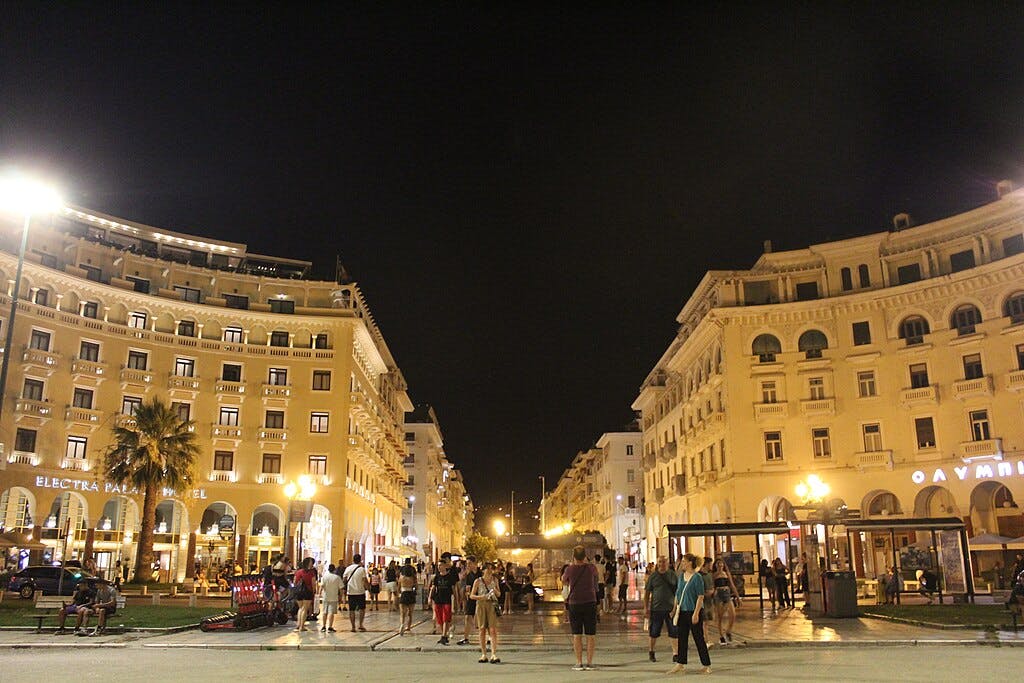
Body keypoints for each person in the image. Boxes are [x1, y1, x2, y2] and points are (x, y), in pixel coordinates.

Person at [669, 553, 711, 675]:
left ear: (690, 563)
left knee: (699, 638)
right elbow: (678, 593)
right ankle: (680, 663)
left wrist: (696, 613)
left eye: (683, 561)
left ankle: (706, 664)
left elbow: (700, 596)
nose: (682, 563)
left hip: (693, 611)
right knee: (682, 638)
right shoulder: (681, 576)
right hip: (682, 611)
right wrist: (674, 609)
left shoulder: (697, 577)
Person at [562, 544, 599, 671]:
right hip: (590, 602)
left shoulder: (569, 569)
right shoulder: (591, 568)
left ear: (573, 556)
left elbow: (563, 580)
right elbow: (596, 577)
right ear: (585, 556)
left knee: (576, 634)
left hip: (575, 603)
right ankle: (589, 663)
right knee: (590, 634)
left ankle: (579, 662)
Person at [643, 555, 678, 663]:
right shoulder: (653, 576)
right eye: (660, 562)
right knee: (653, 631)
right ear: (657, 563)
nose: (662, 564)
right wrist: (646, 607)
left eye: (664, 562)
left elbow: (678, 591)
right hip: (656, 608)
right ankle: (651, 651)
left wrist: (676, 607)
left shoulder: (673, 575)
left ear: (667, 563)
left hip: (670, 608)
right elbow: (647, 592)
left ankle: (675, 653)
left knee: (673, 631)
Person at [470, 561, 501, 663]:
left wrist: (495, 591)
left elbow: (499, 594)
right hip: (481, 605)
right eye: (487, 568)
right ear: (483, 570)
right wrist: (481, 597)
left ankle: (493, 654)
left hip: (492, 605)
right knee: (482, 629)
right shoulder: (478, 581)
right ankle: (483, 654)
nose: (489, 570)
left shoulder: (495, 580)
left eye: (491, 568)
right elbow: (472, 595)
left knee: (492, 630)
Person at [710, 558, 739, 644]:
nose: (720, 565)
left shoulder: (726, 573)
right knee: (720, 616)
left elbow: (732, 585)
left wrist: (737, 596)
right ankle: (721, 636)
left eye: (721, 564)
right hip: (718, 594)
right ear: (715, 565)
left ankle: (728, 631)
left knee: (733, 614)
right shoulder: (714, 574)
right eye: (718, 564)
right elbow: (712, 584)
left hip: (727, 593)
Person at [429, 560, 457, 644]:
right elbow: (433, 588)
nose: (439, 567)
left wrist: (455, 599)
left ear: (445, 566)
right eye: (438, 565)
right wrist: (430, 597)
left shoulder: (450, 577)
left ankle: (444, 636)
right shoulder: (437, 577)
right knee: (439, 619)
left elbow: (453, 589)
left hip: (447, 600)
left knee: (446, 618)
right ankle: (444, 634)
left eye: (440, 565)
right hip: (438, 599)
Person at [457, 556, 481, 646]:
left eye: (470, 563)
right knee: (467, 617)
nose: (468, 565)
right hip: (471, 598)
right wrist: (467, 593)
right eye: (467, 563)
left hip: (480, 598)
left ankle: (486, 637)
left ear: (475, 563)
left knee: (481, 619)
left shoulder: (481, 573)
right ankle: (466, 638)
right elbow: (467, 587)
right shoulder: (468, 575)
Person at [343, 553, 369, 632]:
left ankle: (353, 627)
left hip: (351, 592)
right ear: (360, 560)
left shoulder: (348, 568)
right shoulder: (362, 569)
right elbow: (365, 581)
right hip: (360, 592)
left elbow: (344, 579)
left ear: (353, 560)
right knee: (362, 609)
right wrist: (368, 589)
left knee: (351, 610)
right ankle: (360, 625)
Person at [293, 557, 317, 632]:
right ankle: (302, 626)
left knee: (300, 608)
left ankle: (298, 624)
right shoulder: (311, 573)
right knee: (305, 609)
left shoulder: (298, 572)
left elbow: (294, 582)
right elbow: (313, 583)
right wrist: (314, 591)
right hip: (307, 591)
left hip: (299, 592)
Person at [320, 563, 342, 632]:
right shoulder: (337, 577)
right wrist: (340, 596)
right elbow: (341, 588)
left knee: (324, 612)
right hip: (334, 597)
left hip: (325, 596)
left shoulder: (324, 577)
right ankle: (330, 627)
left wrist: (319, 594)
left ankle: (323, 626)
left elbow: (322, 586)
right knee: (331, 612)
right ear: (334, 570)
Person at [398, 558, 418, 635]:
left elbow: (398, 588)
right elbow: (416, 587)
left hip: (404, 593)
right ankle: (408, 627)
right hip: (411, 594)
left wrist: (399, 593)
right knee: (410, 613)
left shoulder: (401, 578)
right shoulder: (413, 578)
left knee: (402, 613)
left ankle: (402, 624)